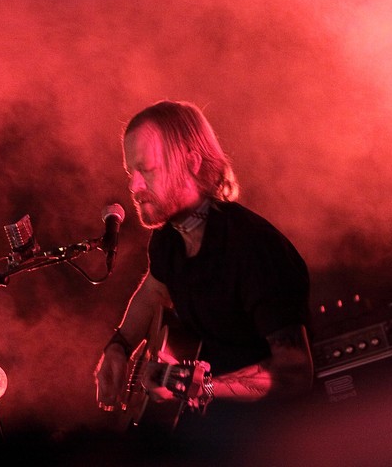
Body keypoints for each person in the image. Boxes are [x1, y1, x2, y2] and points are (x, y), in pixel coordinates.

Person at [93, 100, 314, 450]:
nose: (134, 187)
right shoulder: (168, 240)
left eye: (146, 169)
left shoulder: (252, 248)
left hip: (272, 442)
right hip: (206, 438)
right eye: (129, 174)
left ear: (192, 163)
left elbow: (295, 372)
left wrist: (204, 387)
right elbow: (152, 292)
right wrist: (119, 347)